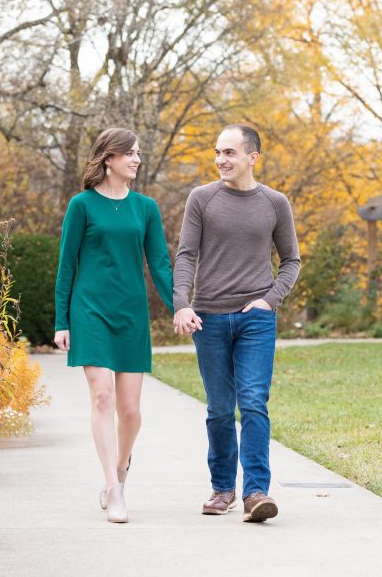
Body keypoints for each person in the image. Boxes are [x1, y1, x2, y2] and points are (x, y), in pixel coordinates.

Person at [172, 124, 301, 523]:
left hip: (255, 321)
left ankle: (255, 493)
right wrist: (182, 303)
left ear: (252, 158)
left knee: (253, 403)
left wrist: (269, 300)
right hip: (208, 318)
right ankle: (222, 488)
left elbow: (291, 261)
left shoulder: (275, 203)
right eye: (217, 152)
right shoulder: (202, 199)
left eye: (229, 152)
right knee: (220, 409)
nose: (221, 160)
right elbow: (186, 255)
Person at [54, 127, 175, 523]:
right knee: (102, 396)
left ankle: (121, 465)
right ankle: (113, 488)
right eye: (130, 154)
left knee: (130, 411)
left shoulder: (146, 208)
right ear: (109, 159)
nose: (137, 159)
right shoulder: (82, 205)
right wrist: (61, 320)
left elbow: (159, 264)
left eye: (139, 153)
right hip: (89, 311)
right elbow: (67, 265)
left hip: (131, 313)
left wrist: (180, 306)